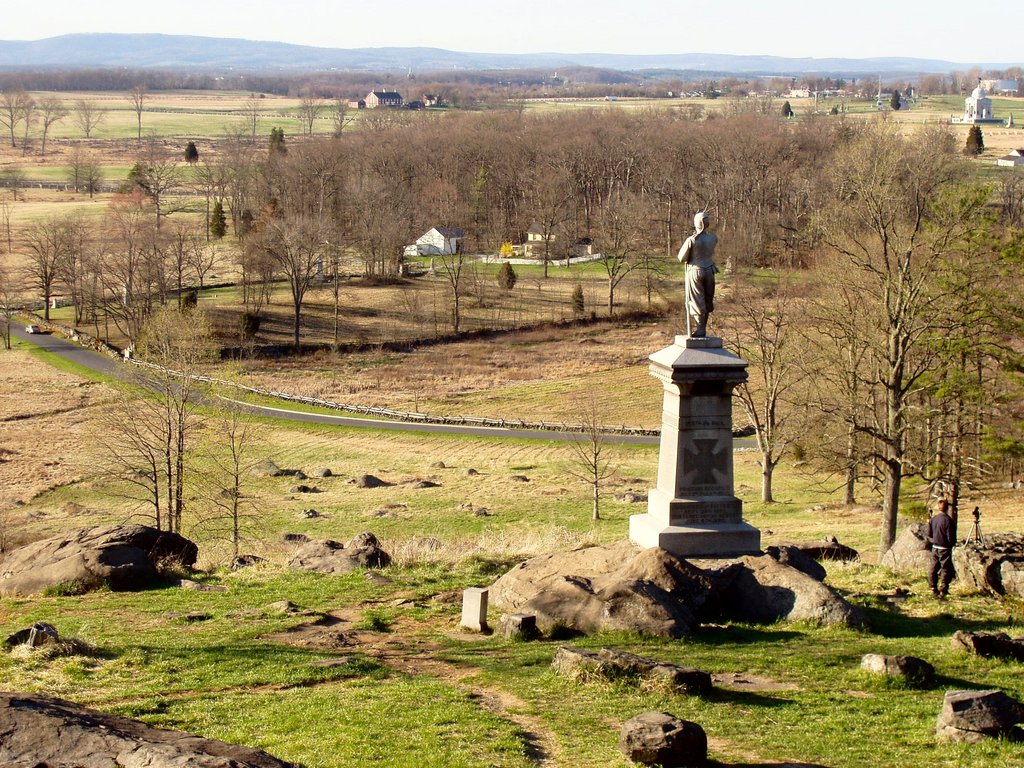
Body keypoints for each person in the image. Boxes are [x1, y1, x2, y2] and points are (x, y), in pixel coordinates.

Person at [677, 211, 719, 337]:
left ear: (696, 223)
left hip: (696, 271)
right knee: (707, 299)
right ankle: (702, 328)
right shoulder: (713, 238)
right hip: (710, 270)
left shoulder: (692, 240)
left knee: (697, 300)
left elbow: (681, 257)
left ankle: (700, 328)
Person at [926, 498, 956, 598]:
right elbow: (950, 537)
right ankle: (943, 589)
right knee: (945, 568)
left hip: (935, 547)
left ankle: (932, 587)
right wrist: (952, 544)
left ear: (939, 508)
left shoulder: (933, 519)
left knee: (933, 567)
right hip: (945, 548)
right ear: (947, 508)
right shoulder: (949, 521)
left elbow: (929, 534)